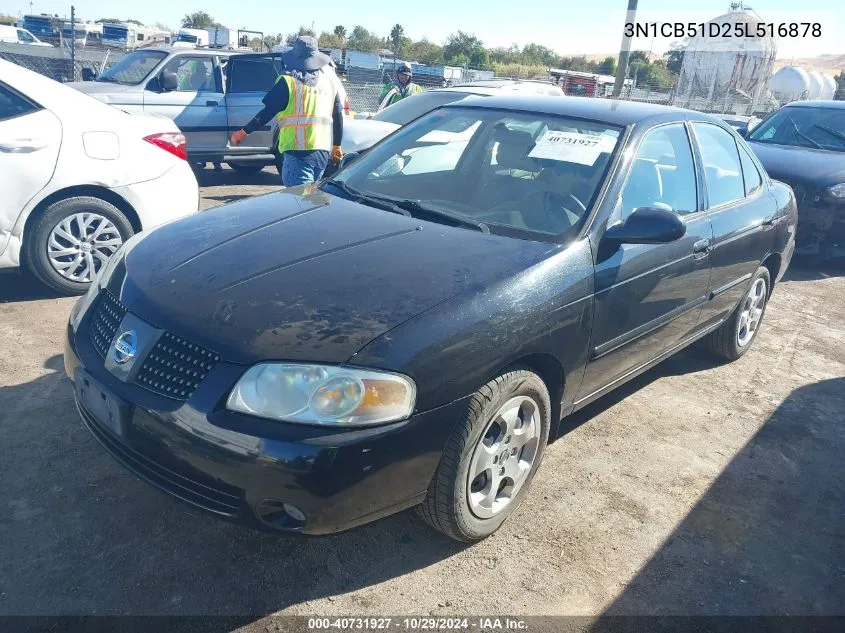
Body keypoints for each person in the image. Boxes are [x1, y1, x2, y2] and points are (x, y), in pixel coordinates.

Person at [229, 36, 343, 186]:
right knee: (311, 201)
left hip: (297, 153)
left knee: (298, 203)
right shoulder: (328, 83)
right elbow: (338, 115)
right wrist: (337, 146)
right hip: (322, 154)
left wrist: (243, 132)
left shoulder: (288, 82)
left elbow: (267, 112)